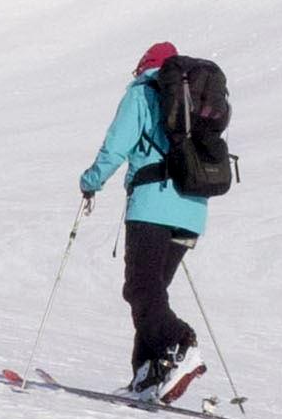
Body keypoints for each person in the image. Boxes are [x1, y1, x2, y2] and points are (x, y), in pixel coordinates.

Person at [79, 40, 209, 395]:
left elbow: (117, 144)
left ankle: (181, 342)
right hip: (193, 212)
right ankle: (150, 374)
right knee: (150, 293)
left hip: (153, 207)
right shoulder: (197, 100)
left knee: (140, 289)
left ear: (145, 66)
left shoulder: (142, 93)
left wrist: (91, 181)